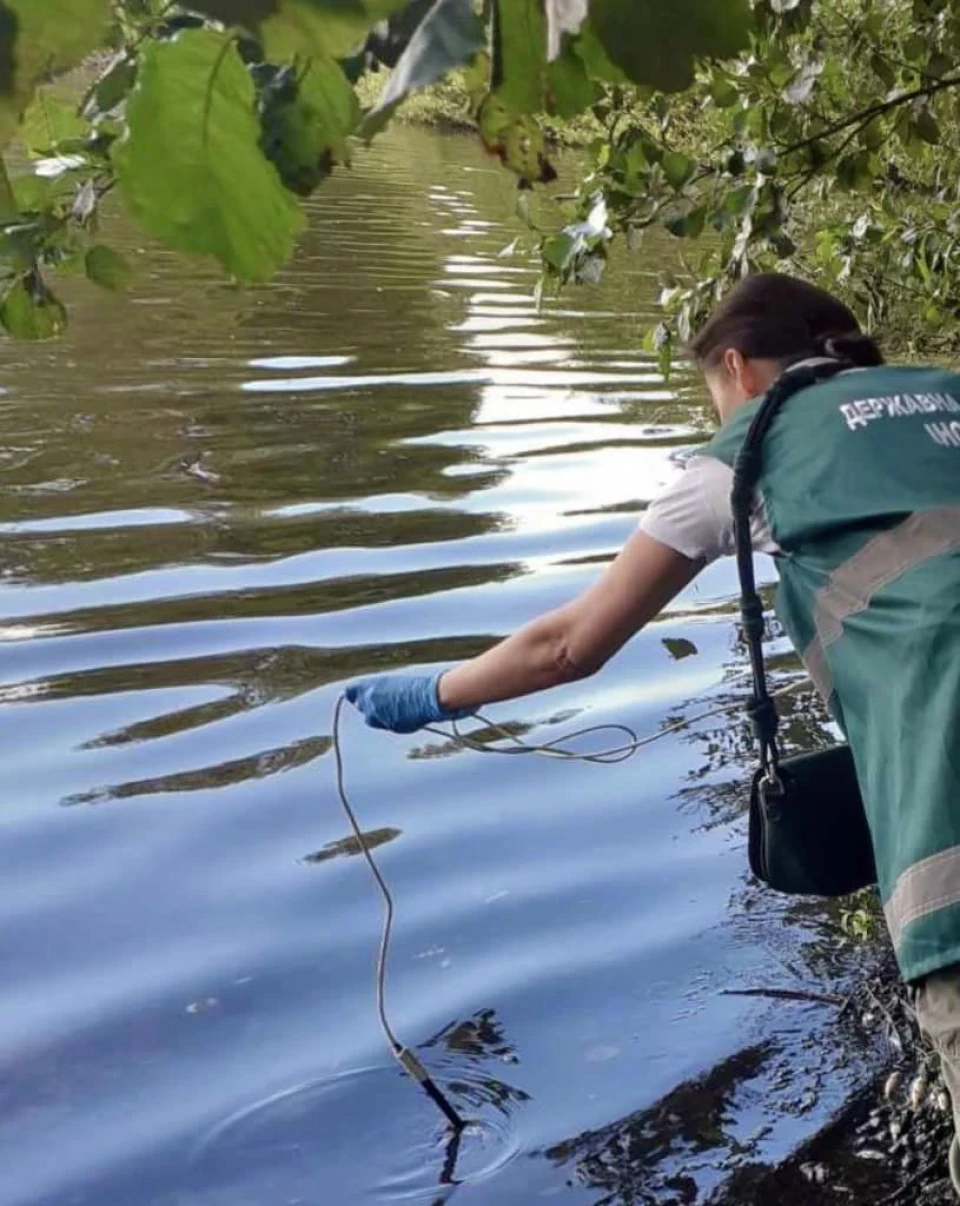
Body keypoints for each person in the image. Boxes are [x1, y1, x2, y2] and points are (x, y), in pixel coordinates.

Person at [345, 272, 960, 1189]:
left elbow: (565, 647)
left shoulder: (743, 456)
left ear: (738, 368)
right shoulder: (946, 397)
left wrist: (436, 692)